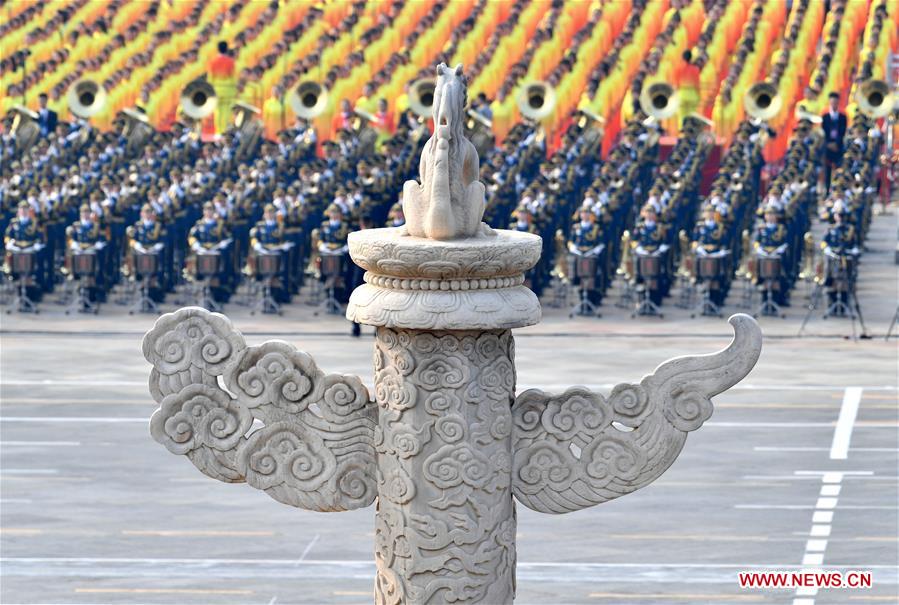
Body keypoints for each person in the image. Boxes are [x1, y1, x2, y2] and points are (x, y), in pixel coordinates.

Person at [188, 202, 234, 301]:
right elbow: (191, 236)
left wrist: (223, 243)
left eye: (210, 210)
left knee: (217, 276)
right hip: (202, 253)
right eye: (206, 210)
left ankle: (215, 296)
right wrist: (195, 244)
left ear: (214, 211)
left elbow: (228, 237)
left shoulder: (219, 224)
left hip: (215, 253)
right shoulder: (199, 224)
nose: (208, 212)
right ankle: (203, 294)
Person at [65, 204, 108, 302]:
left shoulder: (95, 226)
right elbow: (71, 239)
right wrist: (74, 244)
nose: (85, 215)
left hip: (91, 253)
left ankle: (91, 298)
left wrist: (98, 244)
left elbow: (101, 239)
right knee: (81, 276)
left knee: (91, 277)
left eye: (87, 212)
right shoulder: (76, 226)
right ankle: (82, 296)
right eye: (83, 213)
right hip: (79, 254)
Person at [208, 40, 237, 134]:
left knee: (218, 111)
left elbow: (210, 78)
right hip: (228, 89)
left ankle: (218, 131)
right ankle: (225, 130)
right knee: (227, 111)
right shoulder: (230, 62)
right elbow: (233, 77)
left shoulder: (213, 62)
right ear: (227, 49)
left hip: (217, 89)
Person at [821, 92, 847, 193]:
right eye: (832, 102)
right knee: (827, 170)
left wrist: (836, 144)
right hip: (828, 146)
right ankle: (827, 190)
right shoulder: (825, 117)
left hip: (838, 146)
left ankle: (838, 191)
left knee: (839, 169)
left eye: (835, 102)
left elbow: (842, 132)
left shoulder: (842, 117)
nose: (834, 105)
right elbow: (824, 132)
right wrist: (828, 144)